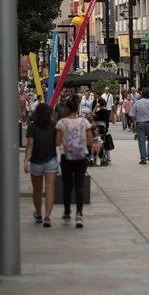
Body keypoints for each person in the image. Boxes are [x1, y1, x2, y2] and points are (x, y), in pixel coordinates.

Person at [56, 97, 93, 227]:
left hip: (66, 157)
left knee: (67, 186)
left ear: (67, 109)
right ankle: (79, 215)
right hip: (81, 156)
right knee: (80, 186)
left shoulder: (61, 123)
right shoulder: (84, 122)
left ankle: (67, 213)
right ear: (77, 109)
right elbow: (90, 141)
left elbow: (57, 142)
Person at [24, 103, 59, 227]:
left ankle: (38, 213)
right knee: (49, 188)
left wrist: (25, 160)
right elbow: (57, 142)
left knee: (37, 190)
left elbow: (29, 145)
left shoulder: (32, 127)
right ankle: (47, 216)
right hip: (51, 160)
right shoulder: (54, 126)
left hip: (36, 161)